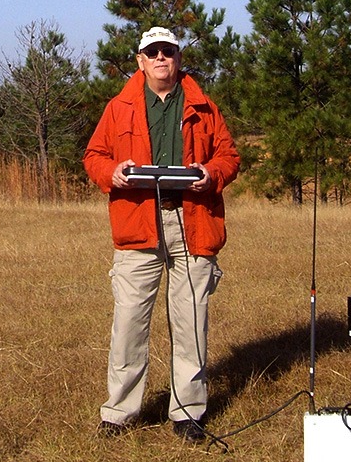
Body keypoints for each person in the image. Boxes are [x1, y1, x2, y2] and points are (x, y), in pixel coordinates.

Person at [83, 26, 240, 442]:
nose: (160, 58)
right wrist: (111, 173)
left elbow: (229, 155)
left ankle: (188, 412)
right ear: (140, 60)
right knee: (129, 323)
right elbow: (94, 155)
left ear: (178, 57)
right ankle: (119, 413)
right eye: (151, 52)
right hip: (138, 226)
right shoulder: (118, 107)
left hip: (193, 224)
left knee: (190, 322)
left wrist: (212, 175)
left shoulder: (204, 106)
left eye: (167, 51)